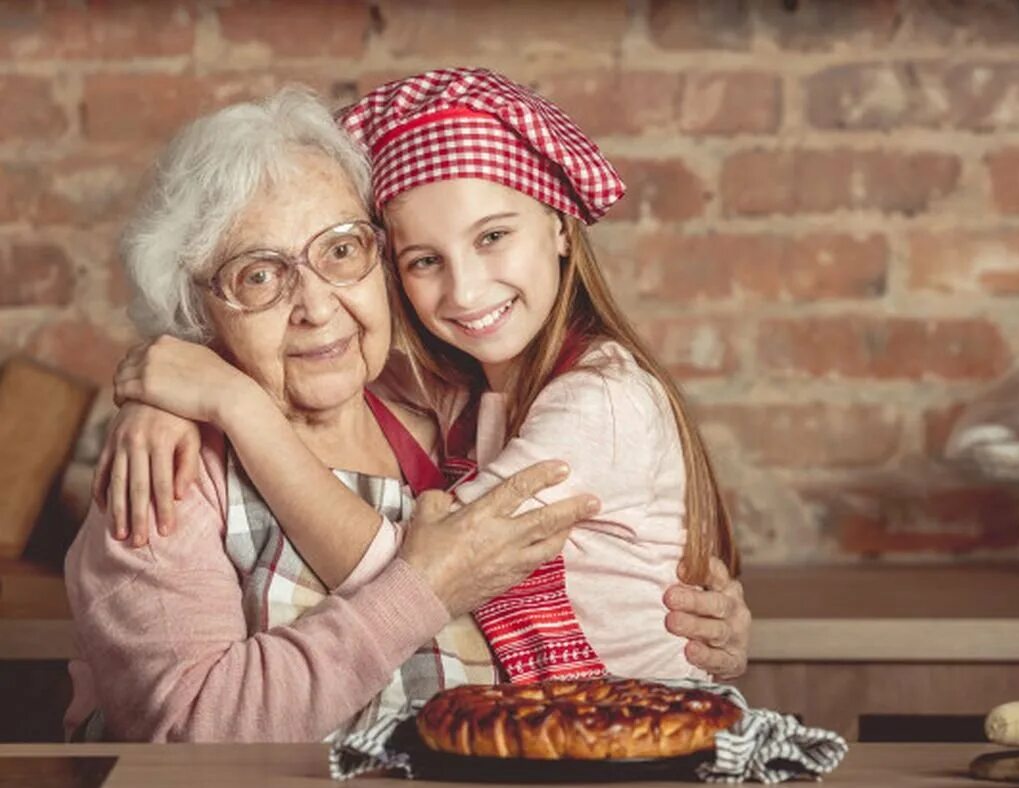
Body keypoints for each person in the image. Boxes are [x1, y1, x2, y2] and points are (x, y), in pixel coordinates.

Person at [107, 69, 744, 685]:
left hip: (638, 728)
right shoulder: (450, 389)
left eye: (493, 235)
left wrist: (231, 403)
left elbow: (424, 572)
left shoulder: (597, 403)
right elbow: (244, 347)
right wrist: (166, 400)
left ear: (560, 225)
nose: (465, 288)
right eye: (425, 260)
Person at [66, 87, 606, 742]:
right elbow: (189, 730)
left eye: (342, 250)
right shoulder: (167, 473)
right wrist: (419, 588)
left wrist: (695, 616)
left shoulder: (458, 411)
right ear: (195, 310)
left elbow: (602, 586)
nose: (317, 307)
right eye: (258, 276)